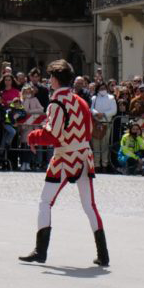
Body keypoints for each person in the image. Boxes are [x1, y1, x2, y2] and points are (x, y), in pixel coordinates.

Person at [18, 59, 108, 266]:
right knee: (89, 205)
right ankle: (103, 254)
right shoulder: (81, 101)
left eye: (50, 77)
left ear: (55, 80)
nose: (49, 81)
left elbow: (53, 135)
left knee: (45, 202)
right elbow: (88, 130)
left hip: (64, 158)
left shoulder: (57, 103)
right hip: (84, 156)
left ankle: (40, 251)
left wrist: (33, 137)